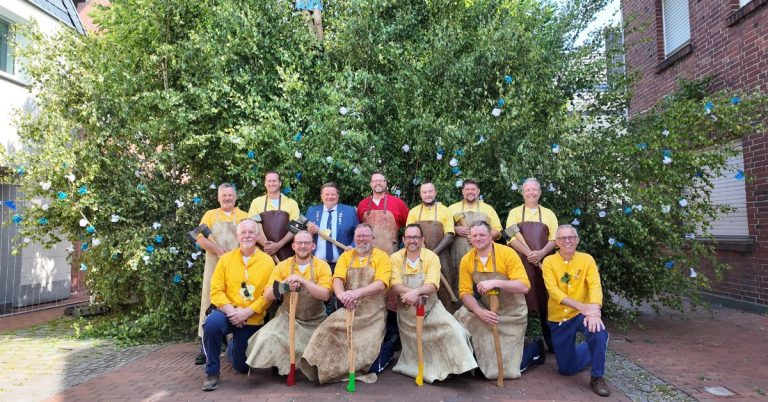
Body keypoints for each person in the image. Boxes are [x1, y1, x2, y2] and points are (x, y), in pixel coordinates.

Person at [300, 224, 391, 384]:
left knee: (365, 351)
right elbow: (337, 279)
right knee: (326, 329)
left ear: (373, 239)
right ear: (354, 239)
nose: (362, 239)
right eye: (358, 236)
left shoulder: (382, 257)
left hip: (372, 315)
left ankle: (381, 355)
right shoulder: (346, 256)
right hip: (349, 309)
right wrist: (342, 296)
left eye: (365, 236)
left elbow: (381, 283)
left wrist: (356, 293)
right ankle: (317, 367)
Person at [454, 222, 544, 380]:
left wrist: (496, 282)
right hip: (487, 313)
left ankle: (535, 347)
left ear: (490, 236)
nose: (478, 238)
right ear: (470, 238)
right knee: (461, 315)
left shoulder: (507, 254)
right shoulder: (467, 260)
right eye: (474, 236)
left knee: (507, 370)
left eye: (482, 235)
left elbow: (524, 286)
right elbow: (465, 293)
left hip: (512, 315)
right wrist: (479, 311)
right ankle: (477, 358)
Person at [390, 224, 477, 383]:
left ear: (422, 239)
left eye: (416, 237)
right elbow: (395, 284)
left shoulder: (431, 257)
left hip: (431, 308)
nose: (412, 241)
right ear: (403, 240)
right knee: (419, 349)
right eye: (409, 237)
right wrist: (411, 295)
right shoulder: (395, 258)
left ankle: (453, 368)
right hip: (407, 313)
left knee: (455, 330)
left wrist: (415, 293)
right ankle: (429, 368)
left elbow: (432, 285)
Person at [201, 219, 276, 391]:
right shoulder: (226, 259)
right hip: (227, 312)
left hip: (252, 317)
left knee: (242, 367)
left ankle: (232, 347)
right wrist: (233, 312)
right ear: (237, 236)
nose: (247, 235)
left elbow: (268, 295)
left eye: (251, 232)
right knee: (211, 325)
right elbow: (216, 291)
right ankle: (212, 372)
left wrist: (247, 312)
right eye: (243, 232)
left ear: (257, 236)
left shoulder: (267, 261)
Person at [244, 231, 332, 375]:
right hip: (287, 318)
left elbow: (325, 295)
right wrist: (285, 285)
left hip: (315, 320)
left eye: (307, 243)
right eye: (299, 243)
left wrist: (303, 282)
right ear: (293, 246)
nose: (303, 246)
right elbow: (268, 294)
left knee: (324, 350)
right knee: (267, 337)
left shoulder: (322, 266)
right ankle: (277, 364)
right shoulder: (282, 266)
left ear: (313, 246)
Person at [542, 225, 610, 397]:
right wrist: (583, 307)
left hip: (583, 315)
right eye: (562, 238)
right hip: (559, 317)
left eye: (571, 237)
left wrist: (594, 311)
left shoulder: (587, 259)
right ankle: (592, 349)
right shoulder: (549, 262)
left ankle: (597, 376)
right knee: (565, 369)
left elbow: (595, 285)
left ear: (577, 240)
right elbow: (554, 291)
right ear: (556, 242)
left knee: (598, 331)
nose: (567, 241)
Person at [194, 183, 250, 365]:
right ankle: (205, 347)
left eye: (230, 195)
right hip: (214, 264)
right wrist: (218, 250)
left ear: (236, 197)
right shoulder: (210, 215)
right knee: (209, 301)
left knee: (237, 298)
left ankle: (233, 343)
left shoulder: (244, 216)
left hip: (237, 266)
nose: (227, 198)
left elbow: (250, 238)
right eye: (224, 195)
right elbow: (199, 237)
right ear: (218, 198)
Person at [505, 177, 559, 351]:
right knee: (521, 302)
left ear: (540, 192)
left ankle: (552, 343)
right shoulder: (514, 213)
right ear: (523, 193)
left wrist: (541, 254)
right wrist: (528, 254)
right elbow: (510, 237)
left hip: (545, 265)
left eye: (534, 189)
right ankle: (519, 343)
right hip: (521, 264)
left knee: (546, 302)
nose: (531, 192)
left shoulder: (549, 214)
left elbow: (555, 238)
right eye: (527, 190)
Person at [447, 179, 503, 310]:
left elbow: (498, 230)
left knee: (483, 285)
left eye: (473, 189)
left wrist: (482, 238)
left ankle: (486, 314)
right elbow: (445, 230)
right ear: (462, 192)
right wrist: (455, 229)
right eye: (467, 189)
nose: (470, 192)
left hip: (484, 257)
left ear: (478, 191)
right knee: (459, 285)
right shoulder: (452, 209)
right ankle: (459, 318)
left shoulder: (488, 209)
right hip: (458, 257)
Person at [406, 182, 455, 310]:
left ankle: (446, 318)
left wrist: (433, 253)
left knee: (444, 291)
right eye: (424, 192)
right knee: (420, 285)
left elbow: (449, 235)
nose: (428, 195)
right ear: (420, 195)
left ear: (435, 193)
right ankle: (422, 319)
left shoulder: (445, 211)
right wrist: (422, 251)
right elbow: (410, 234)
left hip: (442, 256)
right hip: (418, 256)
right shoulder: (413, 212)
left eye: (430, 191)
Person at [305, 182, 359, 272]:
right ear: (321, 196)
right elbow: (301, 235)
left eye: (333, 194)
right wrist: (309, 232)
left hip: (342, 264)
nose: (330, 197)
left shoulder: (349, 211)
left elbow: (358, 233)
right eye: (326, 194)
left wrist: (352, 246)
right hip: (316, 265)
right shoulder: (312, 211)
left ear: (338, 196)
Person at [248, 171, 300, 261]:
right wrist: (268, 246)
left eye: (274, 181)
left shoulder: (291, 203)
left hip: (286, 253)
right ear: (265, 183)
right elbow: (254, 226)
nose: (271, 183)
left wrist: (278, 245)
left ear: (280, 183)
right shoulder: (256, 202)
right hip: (263, 252)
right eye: (269, 181)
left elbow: (295, 228)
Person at [356, 172, 409, 255]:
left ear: (385, 183)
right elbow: (357, 230)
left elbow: (410, 226)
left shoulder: (397, 203)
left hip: (391, 255)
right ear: (370, 184)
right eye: (375, 181)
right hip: (366, 255)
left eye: (381, 181)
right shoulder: (362, 204)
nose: (378, 183)